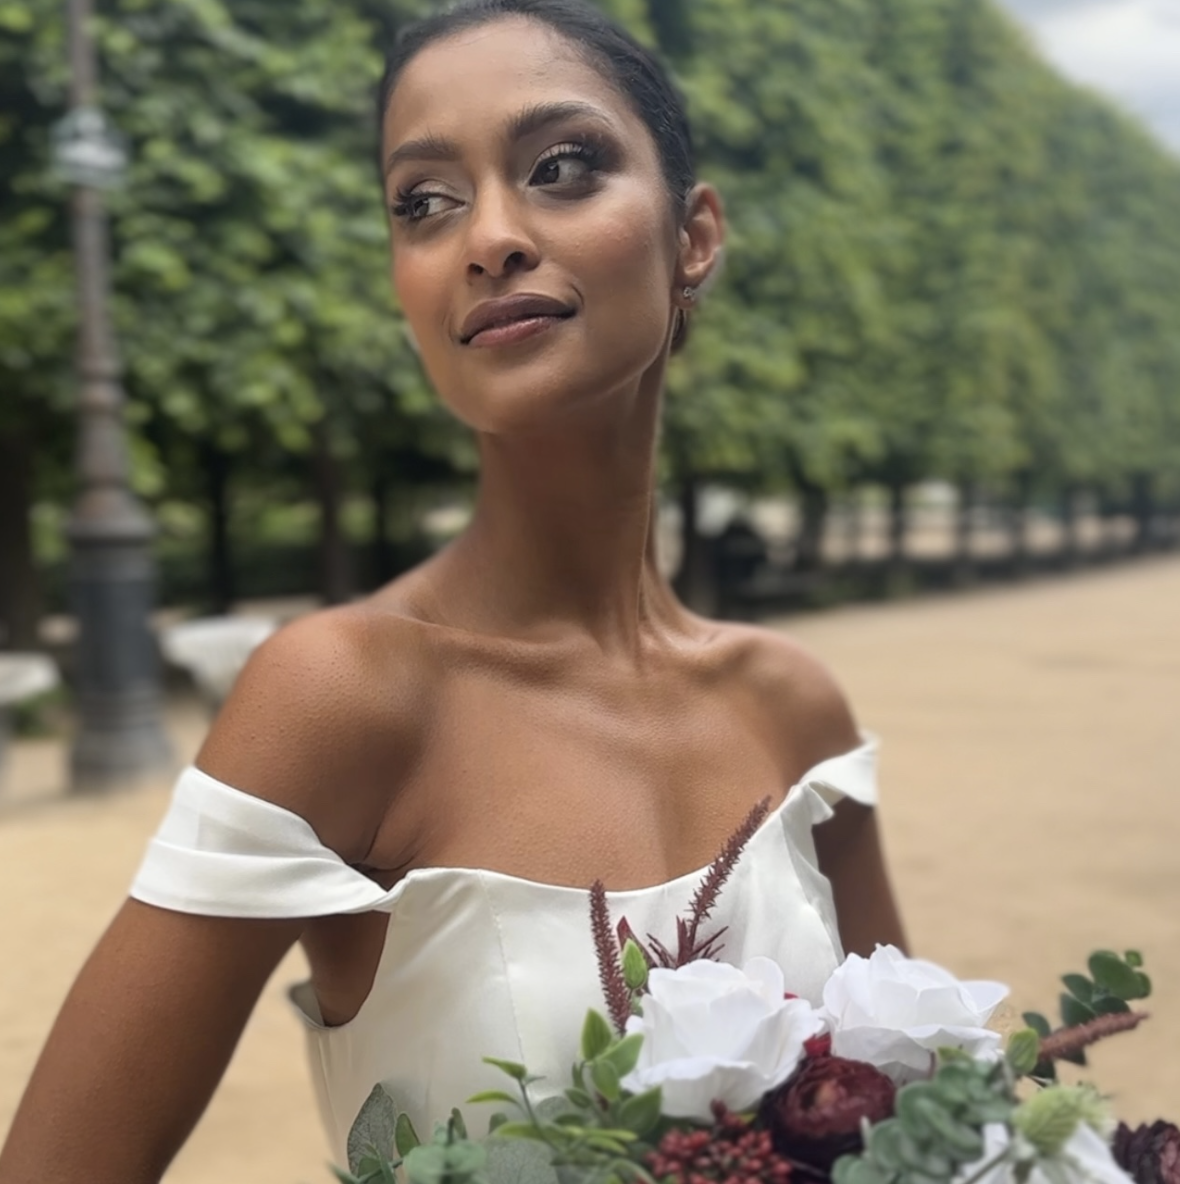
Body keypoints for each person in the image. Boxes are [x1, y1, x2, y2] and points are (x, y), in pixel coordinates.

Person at [0, 2, 905, 1180]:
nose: (489, 237)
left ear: (692, 235)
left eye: (561, 167)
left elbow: (919, 1114)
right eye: (422, 201)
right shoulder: (339, 695)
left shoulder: (795, 708)